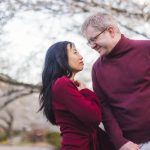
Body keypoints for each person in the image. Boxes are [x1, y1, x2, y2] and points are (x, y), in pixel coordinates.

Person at [81, 12, 150, 150]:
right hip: (131, 145)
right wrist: (120, 142)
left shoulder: (146, 49)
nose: (92, 45)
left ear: (111, 31)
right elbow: (105, 109)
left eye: (94, 39)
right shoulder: (97, 69)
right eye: (89, 42)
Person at [39, 41, 114, 150]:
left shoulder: (64, 85)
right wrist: (86, 91)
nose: (81, 56)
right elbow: (94, 117)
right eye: (75, 52)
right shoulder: (62, 84)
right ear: (61, 58)